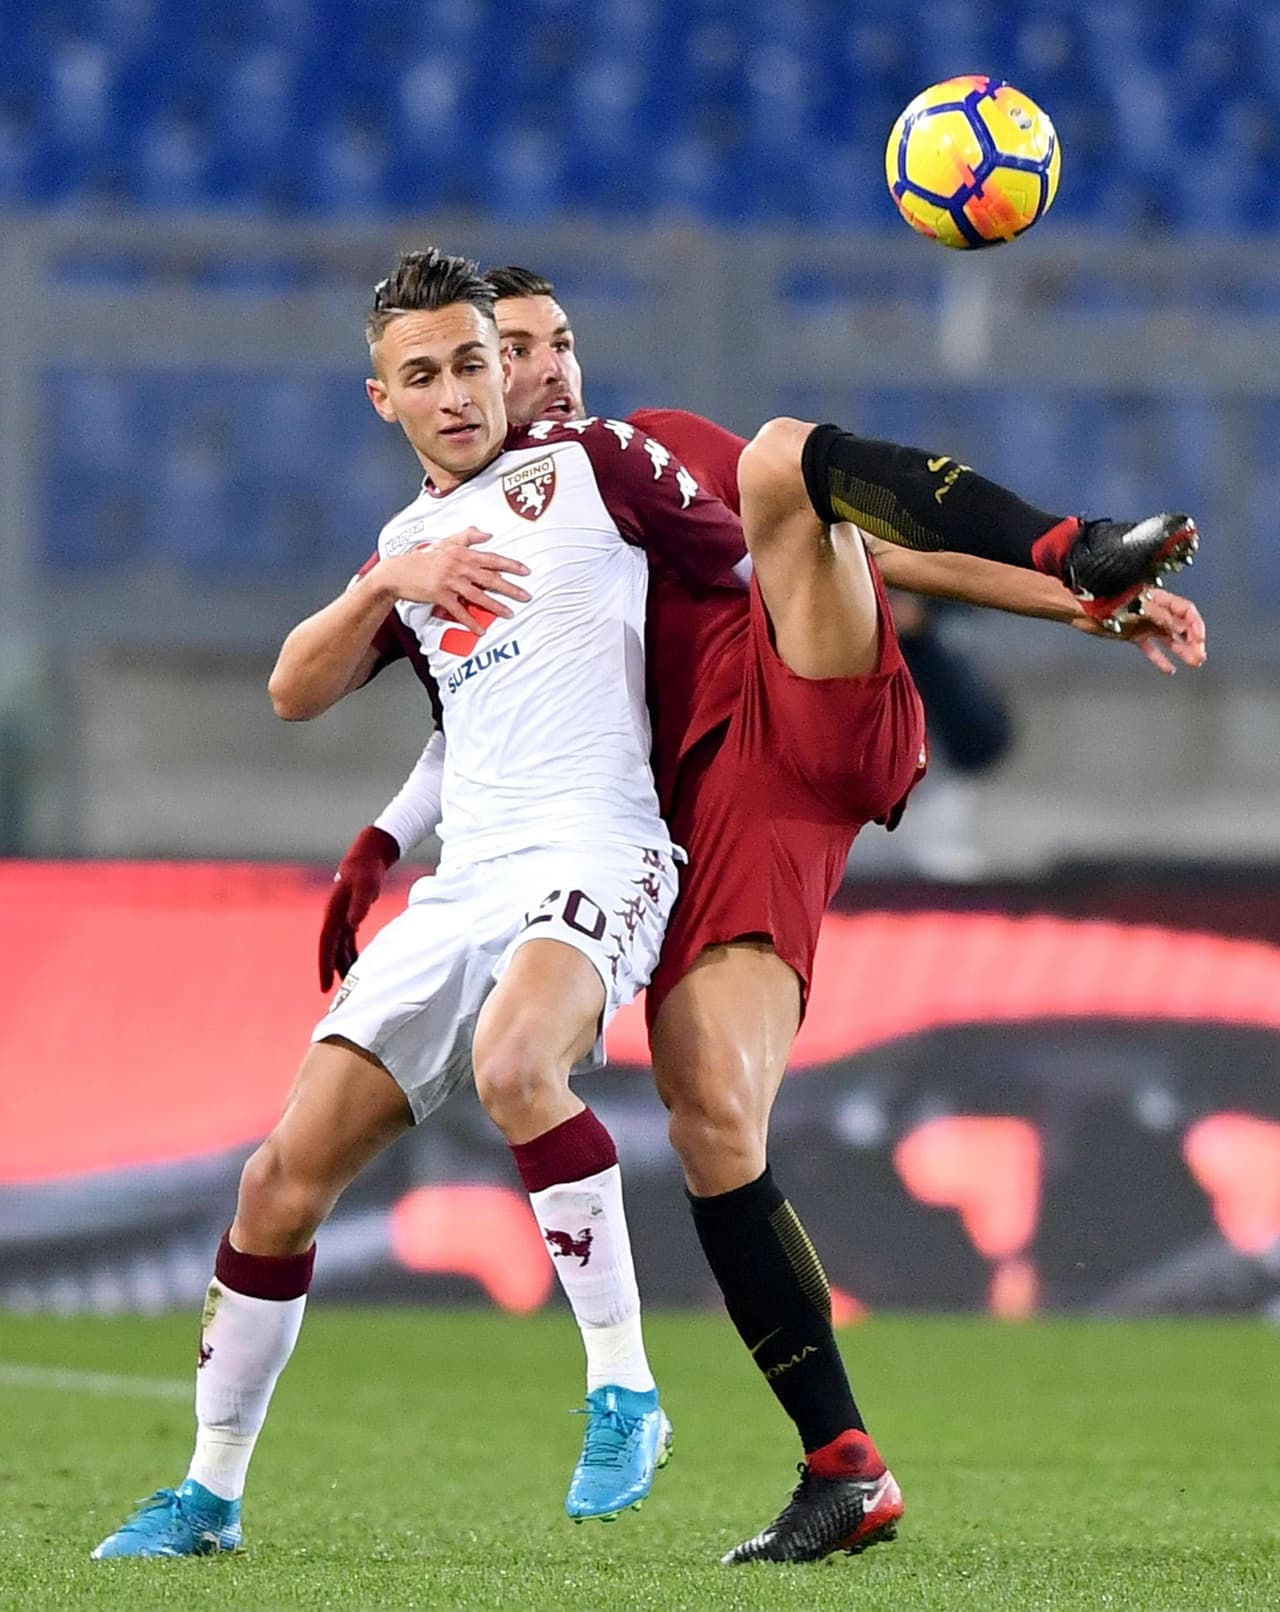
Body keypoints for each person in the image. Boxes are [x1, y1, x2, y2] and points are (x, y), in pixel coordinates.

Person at [321, 268, 1207, 1564]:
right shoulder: (478, 540)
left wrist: (1074, 594)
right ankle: (843, 1467)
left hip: (795, 685)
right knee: (710, 1113)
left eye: (558, 343)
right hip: (708, 821)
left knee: (789, 461)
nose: (549, 369)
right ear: (448, 379)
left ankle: (1077, 532)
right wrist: (381, 843)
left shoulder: (648, 452)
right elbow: (469, 736)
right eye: (514, 351)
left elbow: (870, 545)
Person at [92, 247, 758, 1559]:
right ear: (380, 399)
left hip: (600, 844)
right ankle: (210, 1497)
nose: (463, 390)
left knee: (521, 1065)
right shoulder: (409, 544)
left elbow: (759, 570)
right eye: (426, 374)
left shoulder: (601, 467)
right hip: (466, 884)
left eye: (476, 360)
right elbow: (293, 688)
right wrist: (389, 620)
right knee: (277, 1183)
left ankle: (624, 1388)